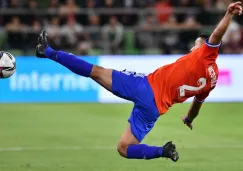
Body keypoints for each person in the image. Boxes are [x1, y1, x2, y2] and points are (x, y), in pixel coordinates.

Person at [35, 2, 242, 162]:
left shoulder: (206, 53)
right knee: (124, 148)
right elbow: (197, 105)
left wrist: (228, 14)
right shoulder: (212, 79)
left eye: (195, 45)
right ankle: (163, 151)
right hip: (154, 110)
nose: (192, 48)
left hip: (145, 88)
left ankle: (48, 51)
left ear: (204, 46)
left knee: (95, 72)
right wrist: (188, 120)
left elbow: (217, 34)